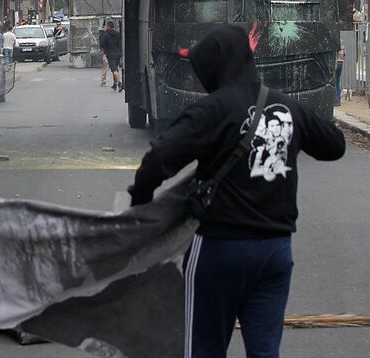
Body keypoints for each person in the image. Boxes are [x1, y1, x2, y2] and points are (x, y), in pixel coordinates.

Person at [127, 24, 345, 358]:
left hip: (219, 250)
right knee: (264, 351)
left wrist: (141, 206)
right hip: (275, 253)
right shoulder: (287, 106)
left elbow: (158, 160)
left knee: (203, 348)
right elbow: (334, 146)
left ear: (214, 65)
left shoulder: (210, 111)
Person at [99, 20, 122, 91]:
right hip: (117, 53)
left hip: (110, 54)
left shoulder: (106, 34)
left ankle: (119, 83)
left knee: (114, 70)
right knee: (116, 69)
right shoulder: (118, 34)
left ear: (108, 26)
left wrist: (103, 33)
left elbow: (102, 43)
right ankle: (115, 84)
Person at [335, 39, 345, 106]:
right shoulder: (342, 42)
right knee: (338, 82)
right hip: (341, 63)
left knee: (334, 82)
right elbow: (344, 53)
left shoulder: (334, 41)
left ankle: (336, 101)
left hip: (335, 63)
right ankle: (338, 98)